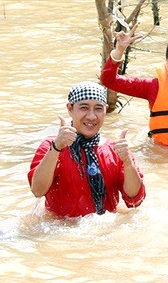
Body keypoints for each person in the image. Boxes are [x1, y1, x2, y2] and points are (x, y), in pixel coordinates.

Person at [28, 82, 146, 218]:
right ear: (70, 109)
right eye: (84, 108)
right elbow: (37, 190)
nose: (91, 116)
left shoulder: (116, 150)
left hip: (104, 230)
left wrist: (127, 163)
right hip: (62, 232)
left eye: (98, 109)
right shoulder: (51, 146)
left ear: (105, 110)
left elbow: (135, 201)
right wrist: (56, 148)